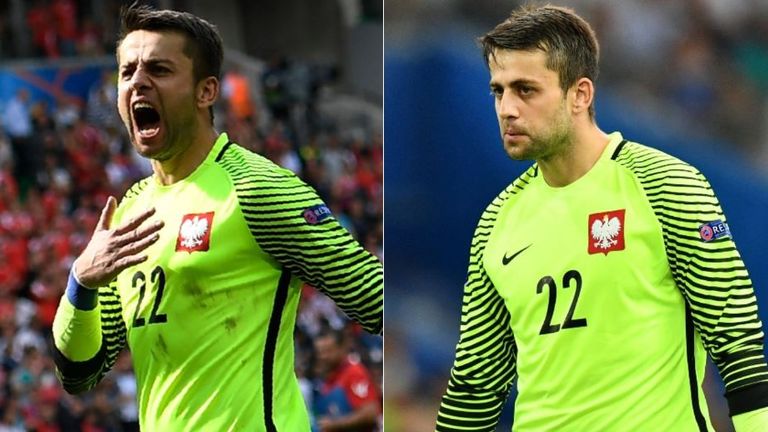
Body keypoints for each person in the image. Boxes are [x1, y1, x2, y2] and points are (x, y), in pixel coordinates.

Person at [435, 5, 768, 432]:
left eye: (526, 90)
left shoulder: (665, 185)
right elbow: (474, 388)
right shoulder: (497, 220)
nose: (507, 109)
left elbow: (736, 340)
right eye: (498, 91)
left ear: (581, 94)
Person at [51, 4, 382, 431]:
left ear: (206, 92)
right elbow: (79, 374)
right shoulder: (129, 213)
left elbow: (377, 299)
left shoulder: (257, 190)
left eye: (159, 70)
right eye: (127, 71)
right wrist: (81, 281)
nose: (138, 83)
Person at [314, 329, 380, 432]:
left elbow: (370, 413)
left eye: (328, 351)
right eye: (320, 352)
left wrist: (334, 425)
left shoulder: (354, 373)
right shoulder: (328, 379)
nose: (323, 356)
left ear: (342, 348)